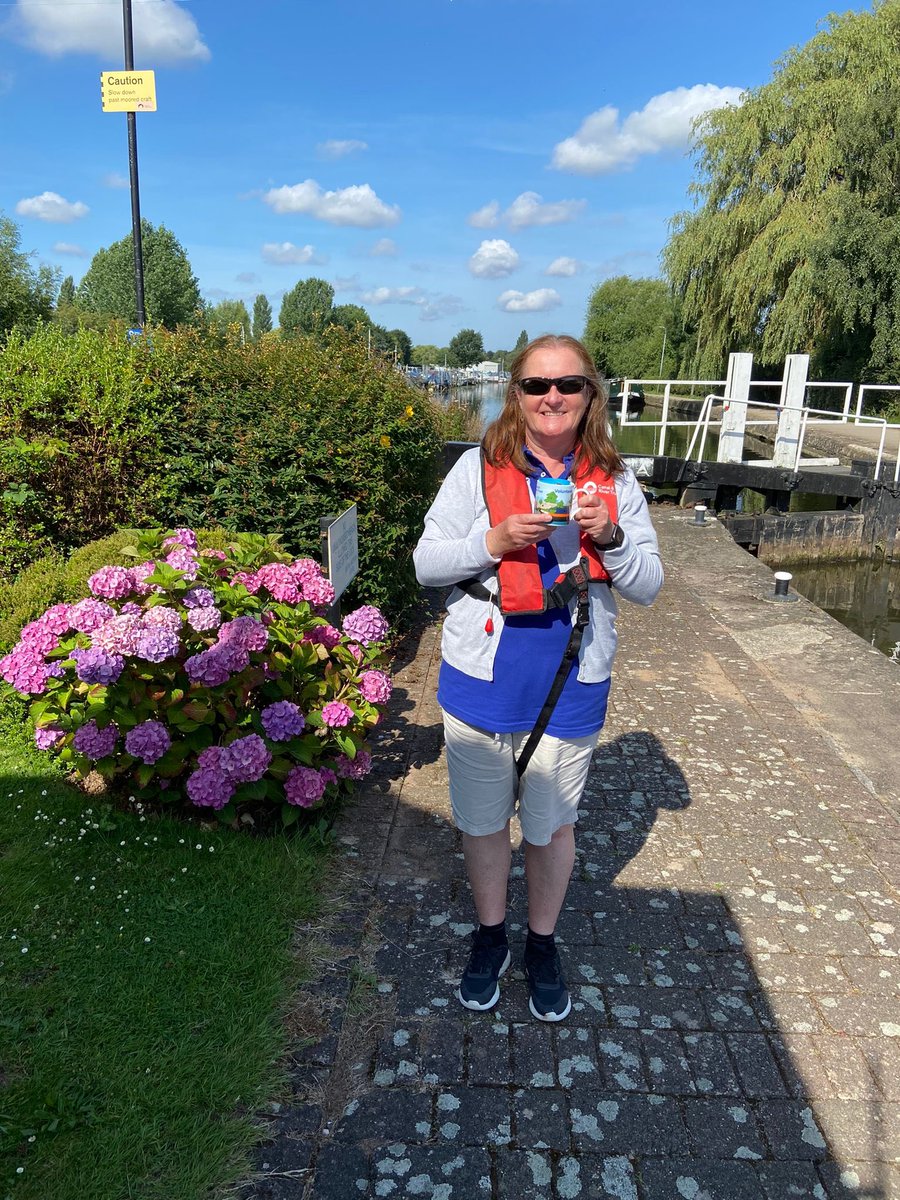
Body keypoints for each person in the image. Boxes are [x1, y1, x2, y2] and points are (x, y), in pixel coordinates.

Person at [413, 334, 663, 1021]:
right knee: (484, 821)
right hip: (482, 678)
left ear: (591, 395)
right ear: (515, 394)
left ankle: (543, 943)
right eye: (536, 385)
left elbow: (649, 587)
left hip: (571, 682)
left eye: (569, 384)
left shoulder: (616, 480)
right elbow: (426, 564)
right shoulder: (474, 471)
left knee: (552, 827)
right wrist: (491, 543)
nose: (552, 396)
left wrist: (611, 538)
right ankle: (492, 935)